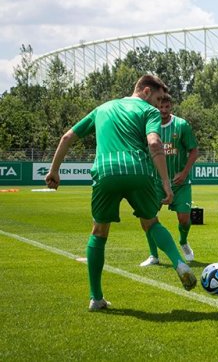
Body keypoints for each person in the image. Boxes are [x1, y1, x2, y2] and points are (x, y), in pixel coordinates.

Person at [45, 75, 196, 311]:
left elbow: (67, 137)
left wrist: (54, 170)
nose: (159, 105)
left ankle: (96, 298)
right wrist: (166, 183)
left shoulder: (102, 108)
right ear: (146, 91)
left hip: (105, 172)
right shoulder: (149, 111)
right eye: (158, 99)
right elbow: (154, 144)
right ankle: (179, 263)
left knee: (99, 231)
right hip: (139, 172)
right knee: (151, 222)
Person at [140, 93, 200, 267]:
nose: (163, 110)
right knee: (147, 217)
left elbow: (194, 150)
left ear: (171, 107)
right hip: (155, 182)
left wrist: (184, 173)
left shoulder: (181, 125)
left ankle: (183, 241)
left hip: (180, 183)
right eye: (160, 107)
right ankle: (153, 255)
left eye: (167, 107)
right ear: (155, 107)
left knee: (184, 219)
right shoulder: (148, 126)